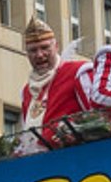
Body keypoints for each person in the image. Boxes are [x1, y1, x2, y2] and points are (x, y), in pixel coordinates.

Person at [17, 18, 85, 152]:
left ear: (56, 46)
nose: (40, 55)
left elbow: (95, 114)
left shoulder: (78, 72)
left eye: (45, 48)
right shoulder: (27, 91)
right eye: (33, 50)